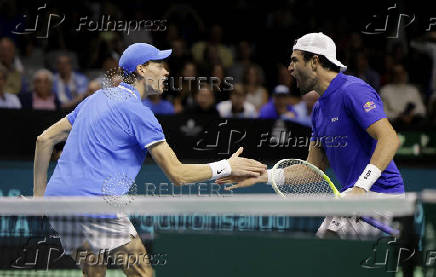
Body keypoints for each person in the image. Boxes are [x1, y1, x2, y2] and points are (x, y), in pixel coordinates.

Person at [34, 43, 266, 277]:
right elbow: (178, 175)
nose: (166, 72)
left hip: (58, 201)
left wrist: (37, 199)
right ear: (142, 70)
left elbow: (44, 140)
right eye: (160, 65)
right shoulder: (139, 113)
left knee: (94, 269)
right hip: (95, 202)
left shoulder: (95, 98)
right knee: (142, 272)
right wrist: (227, 166)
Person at [219, 32, 405, 239]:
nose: (289, 68)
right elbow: (312, 170)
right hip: (354, 200)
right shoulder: (318, 110)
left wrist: (361, 188)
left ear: (315, 61)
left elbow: (389, 138)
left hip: (380, 198)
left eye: (294, 60)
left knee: (322, 251)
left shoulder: (353, 90)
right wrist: (264, 175)